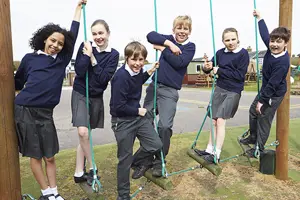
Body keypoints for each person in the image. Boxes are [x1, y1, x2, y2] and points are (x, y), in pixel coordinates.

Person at [14, 1, 87, 199]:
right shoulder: (30, 58)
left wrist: (78, 9)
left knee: (50, 156)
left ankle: (54, 192)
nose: (55, 45)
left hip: (46, 114)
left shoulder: (61, 61)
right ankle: (46, 193)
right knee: (36, 155)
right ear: (45, 39)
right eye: (53, 40)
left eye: (60, 44)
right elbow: (17, 82)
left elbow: (74, 31)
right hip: (25, 110)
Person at [143, 15, 196, 177]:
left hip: (169, 91)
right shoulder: (169, 40)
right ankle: (147, 154)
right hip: (154, 86)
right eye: (179, 28)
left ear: (189, 31)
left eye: (185, 28)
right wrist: (169, 44)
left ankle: (160, 160)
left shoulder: (190, 47)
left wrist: (163, 49)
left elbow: (179, 63)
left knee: (164, 126)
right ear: (173, 30)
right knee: (144, 120)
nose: (182, 31)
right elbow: (150, 36)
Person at [110, 41, 162, 200]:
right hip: (122, 121)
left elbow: (137, 81)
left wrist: (150, 72)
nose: (138, 63)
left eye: (141, 60)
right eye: (134, 59)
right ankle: (123, 196)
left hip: (137, 118)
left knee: (155, 145)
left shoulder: (137, 71)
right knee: (123, 161)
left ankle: (136, 161)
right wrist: (138, 110)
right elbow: (118, 106)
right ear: (126, 58)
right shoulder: (120, 77)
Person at [72, 19, 119, 185]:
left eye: (101, 33)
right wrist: (86, 53)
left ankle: (79, 172)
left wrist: (93, 58)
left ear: (108, 33)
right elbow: (79, 71)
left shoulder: (114, 54)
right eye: (94, 33)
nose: (98, 37)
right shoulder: (86, 46)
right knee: (83, 132)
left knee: (86, 135)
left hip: (96, 96)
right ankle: (92, 168)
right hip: (80, 93)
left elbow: (103, 79)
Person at [239, 10, 291, 157]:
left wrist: (262, 101)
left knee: (264, 118)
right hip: (266, 90)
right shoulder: (270, 49)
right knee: (252, 111)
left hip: (274, 94)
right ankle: (253, 137)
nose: (274, 44)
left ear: (286, 43)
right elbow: (264, 34)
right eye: (272, 41)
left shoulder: (282, 62)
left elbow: (273, 84)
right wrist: (260, 18)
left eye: (279, 42)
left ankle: (258, 149)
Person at [194, 27, 249, 164]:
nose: (230, 42)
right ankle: (208, 150)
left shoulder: (243, 54)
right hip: (220, 88)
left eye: (233, 39)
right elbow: (209, 68)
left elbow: (239, 76)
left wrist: (220, 70)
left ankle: (216, 154)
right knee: (213, 120)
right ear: (223, 41)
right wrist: (207, 67)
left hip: (233, 90)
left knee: (220, 121)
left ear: (238, 38)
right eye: (227, 40)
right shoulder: (220, 53)